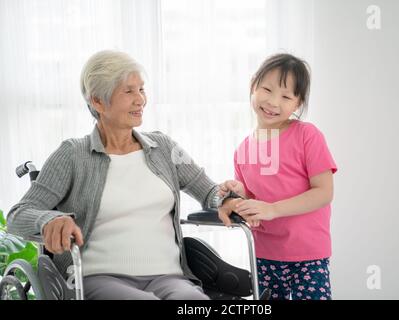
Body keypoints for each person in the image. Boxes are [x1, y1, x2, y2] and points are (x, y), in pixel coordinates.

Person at [7, 50, 234, 300]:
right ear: (98, 102)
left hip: (170, 278)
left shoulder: (164, 148)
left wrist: (226, 199)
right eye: (128, 91)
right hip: (99, 280)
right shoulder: (73, 154)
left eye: (142, 89)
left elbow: (209, 191)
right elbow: (19, 214)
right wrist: (48, 220)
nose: (141, 100)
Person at [218, 53, 338, 300]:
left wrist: (273, 209)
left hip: (308, 254)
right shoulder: (242, 150)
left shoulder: (307, 135)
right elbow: (255, 203)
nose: (273, 102)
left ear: (298, 103)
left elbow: (324, 192)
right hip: (264, 255)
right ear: (253, 85)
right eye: (267, 90)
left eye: (286, 96)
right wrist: (238, 196)